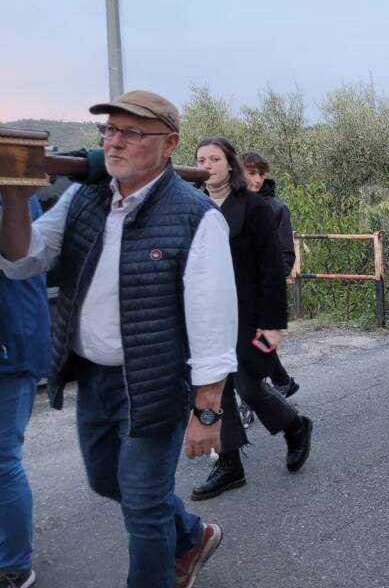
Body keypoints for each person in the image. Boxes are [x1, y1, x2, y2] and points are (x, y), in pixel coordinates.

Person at [0, 91, 234, 588]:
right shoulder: (83, 197)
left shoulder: (196, 217)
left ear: (169, 144)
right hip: (96, 377)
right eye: (109, 131)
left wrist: (207, 411)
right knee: (108, 482)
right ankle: (190, 536)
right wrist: (16, 199)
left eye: (131, 132)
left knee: (144, 505)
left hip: (156, 382)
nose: (114, 142)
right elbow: (24, 258)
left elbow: (213, 323)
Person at [191, 137, 313, 501]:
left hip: (246, 313)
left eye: (215, 158)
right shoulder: (192, 206)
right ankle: (229, 463)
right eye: (201, 159)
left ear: (230, 165)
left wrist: (273, 323)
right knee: (213, 385)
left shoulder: (255, 207)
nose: (208, 164)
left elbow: (272, 270)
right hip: (205, 315)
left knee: (247, 384)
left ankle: (294, 425)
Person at [0, 194, 50, 588]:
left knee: (2, 460)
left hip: (11, 345)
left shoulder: (15, 191)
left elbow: (17, 256)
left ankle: (15, 564)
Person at [241, 151, 300, 398]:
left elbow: (286, 254)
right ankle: (281, 380)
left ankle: (270, 385)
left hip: (264, 289)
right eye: (251, 173)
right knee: (248, 341)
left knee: (255, 341)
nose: (256, 180)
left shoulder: (277, 209)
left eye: (260, 174)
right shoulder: (228, 204)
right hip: (235, 288)